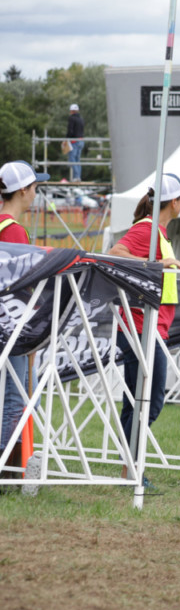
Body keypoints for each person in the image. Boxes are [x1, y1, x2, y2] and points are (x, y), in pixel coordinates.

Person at [106, 172, 180, 459]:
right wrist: (156, 263)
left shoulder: (157, 230)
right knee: (152, 401)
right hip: (141, 326)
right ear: (175, 202)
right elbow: (115, 253)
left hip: (145, 326)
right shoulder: (147, 229)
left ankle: (127, 465)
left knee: (137, 401)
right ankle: (130, 463)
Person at [0, 160, 50, 477]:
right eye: (35, 187)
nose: (36, 193)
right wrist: (31, 334)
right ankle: (4, 470)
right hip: (10, 326)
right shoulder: (15, 231)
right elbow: (22, 288)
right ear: (22, 191)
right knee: (16, 400)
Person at [66, 104, 85, 182]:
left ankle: (76, 177)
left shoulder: (71, 118)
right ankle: (78, 177)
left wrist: (66, 139)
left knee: (72, 159)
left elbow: (70, 131)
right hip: (81, 141)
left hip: (74, 141)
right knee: (77, 159)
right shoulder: (81, 119)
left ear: (71, 111)